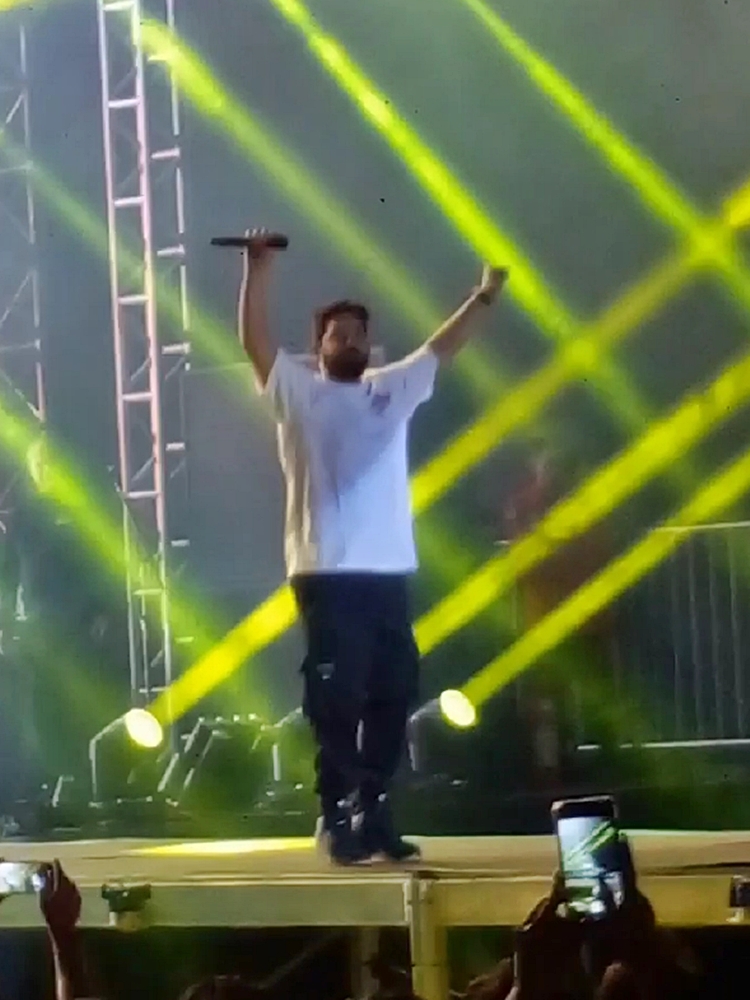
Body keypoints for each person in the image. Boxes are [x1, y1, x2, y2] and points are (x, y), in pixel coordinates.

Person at [238, 228, 508, 864]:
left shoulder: (393, 388)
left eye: (358, 334)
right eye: (338, 335)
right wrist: (258, 268)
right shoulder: (298, 392)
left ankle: (375, 809)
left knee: (393, 690)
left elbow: (444, 346)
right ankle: (334, 814)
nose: (351, 342)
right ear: (319, 347)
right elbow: (253, 340)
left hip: (386, 573)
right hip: (327, 573)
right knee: (337, 697)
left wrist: (484, 296)